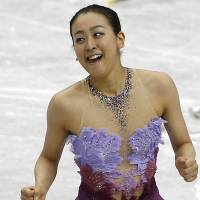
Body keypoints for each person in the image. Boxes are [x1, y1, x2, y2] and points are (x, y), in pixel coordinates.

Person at [20, 4, 198, 200]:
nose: (89, 45)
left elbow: (182, 143)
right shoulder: (64, 104)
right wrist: (40, 187)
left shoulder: (159, 86)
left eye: (97, 34)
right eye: (80, 39)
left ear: (119, 39)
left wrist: (187, 160)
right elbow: (48, 158)